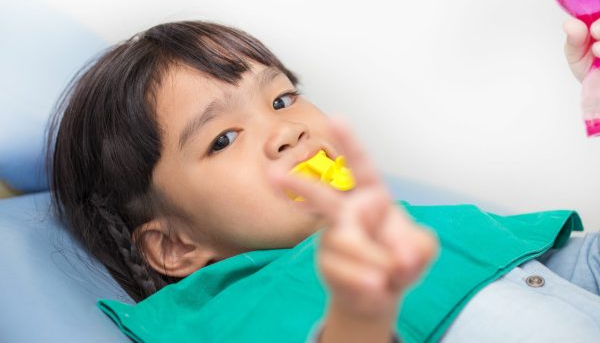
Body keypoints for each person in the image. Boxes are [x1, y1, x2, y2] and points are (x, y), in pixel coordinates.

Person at [46, 19, 600, 343]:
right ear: (175, 244)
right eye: (223, 138)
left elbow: (573, 268)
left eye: (282, 98)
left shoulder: (414, 226)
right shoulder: (234, 313)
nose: (286, 130)